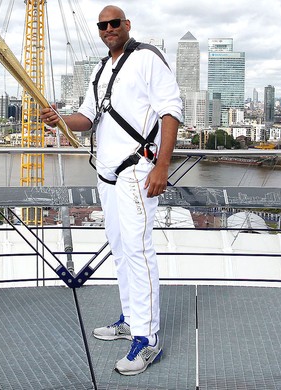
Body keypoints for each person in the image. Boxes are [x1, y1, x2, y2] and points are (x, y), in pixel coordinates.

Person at [41, 5, 182, 376]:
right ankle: (131, 320)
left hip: (138, 172)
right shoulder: (101, 69)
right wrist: (59, 119)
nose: (108, 29)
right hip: (107, 175)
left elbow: (171, 111)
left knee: (138, 250)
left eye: (114, 23)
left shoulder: (148, 58)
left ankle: (148, 339)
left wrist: (162, 167)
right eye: (102, 25)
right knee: (120, 250)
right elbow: (86, 119)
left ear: (127, 25)